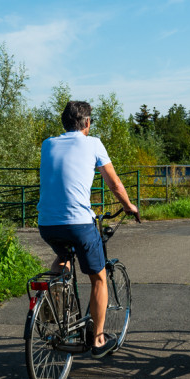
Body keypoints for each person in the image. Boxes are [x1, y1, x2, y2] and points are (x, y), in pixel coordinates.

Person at [37, 101, 139, 358]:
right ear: (87, 123)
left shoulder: (48, 144)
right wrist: (128, 207)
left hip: (47, 224)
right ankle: (98, 338)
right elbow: (114, 183)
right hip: (79, 223)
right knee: (99, 277)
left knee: (63, 257)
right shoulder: (93, 143)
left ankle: (55, 301)